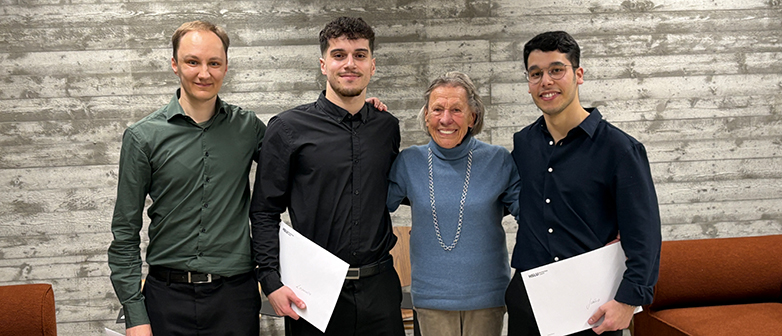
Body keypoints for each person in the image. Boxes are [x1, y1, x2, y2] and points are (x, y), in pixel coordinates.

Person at [107, 21, 266, 336]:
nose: (204, 73)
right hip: (167, 302)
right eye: (193, 61)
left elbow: (303, 158)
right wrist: (135, 315)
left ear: (225, 67)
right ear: (174, 64)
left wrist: (355, 108)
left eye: (214, 63)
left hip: (235, 300)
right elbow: (125, 233)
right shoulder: (142, 137)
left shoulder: (248, 128)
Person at [250, 16, 405, 336]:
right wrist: (270, 279)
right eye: (339, 55)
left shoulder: (386, 126)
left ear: (372, 66)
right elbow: (265, 210)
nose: (350, 64)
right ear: (323, 64)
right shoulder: (287, 128)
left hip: (380, 290)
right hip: (313, 293)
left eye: (360, 55)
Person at [505, 31, 662, 336]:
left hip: (590, 308)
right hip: (529, 299)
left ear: (578, 74)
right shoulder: (523, 143)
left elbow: (644, 234)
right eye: (535, 74)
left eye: (556, 70)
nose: (545, 81)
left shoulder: (620, 149)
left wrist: (629, 300)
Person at [386, 71, 520, 336]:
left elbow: (533, 213)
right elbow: (370, 206)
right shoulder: (409, 162)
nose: (445, 119)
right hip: (431, 299)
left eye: (456, 109)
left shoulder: (498, 160)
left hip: (487, 299)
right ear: (426, 115)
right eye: (437, 109)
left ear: (473, 116)